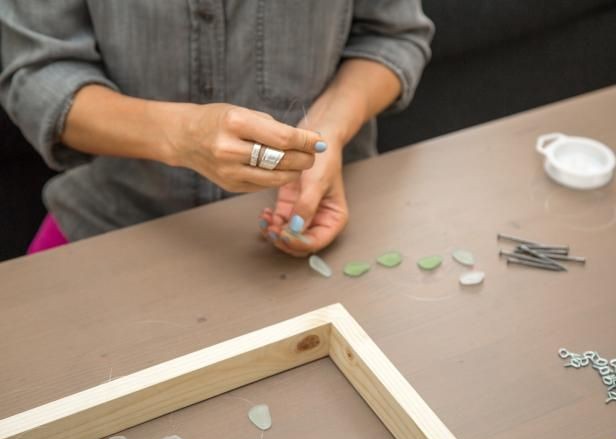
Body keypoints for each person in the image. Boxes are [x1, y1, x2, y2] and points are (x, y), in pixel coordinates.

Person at [0, 1, 433, 257]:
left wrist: (328, 129)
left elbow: (393, 35)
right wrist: (179, 136)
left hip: (327, 217)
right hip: (113, 227)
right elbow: (36, 75)